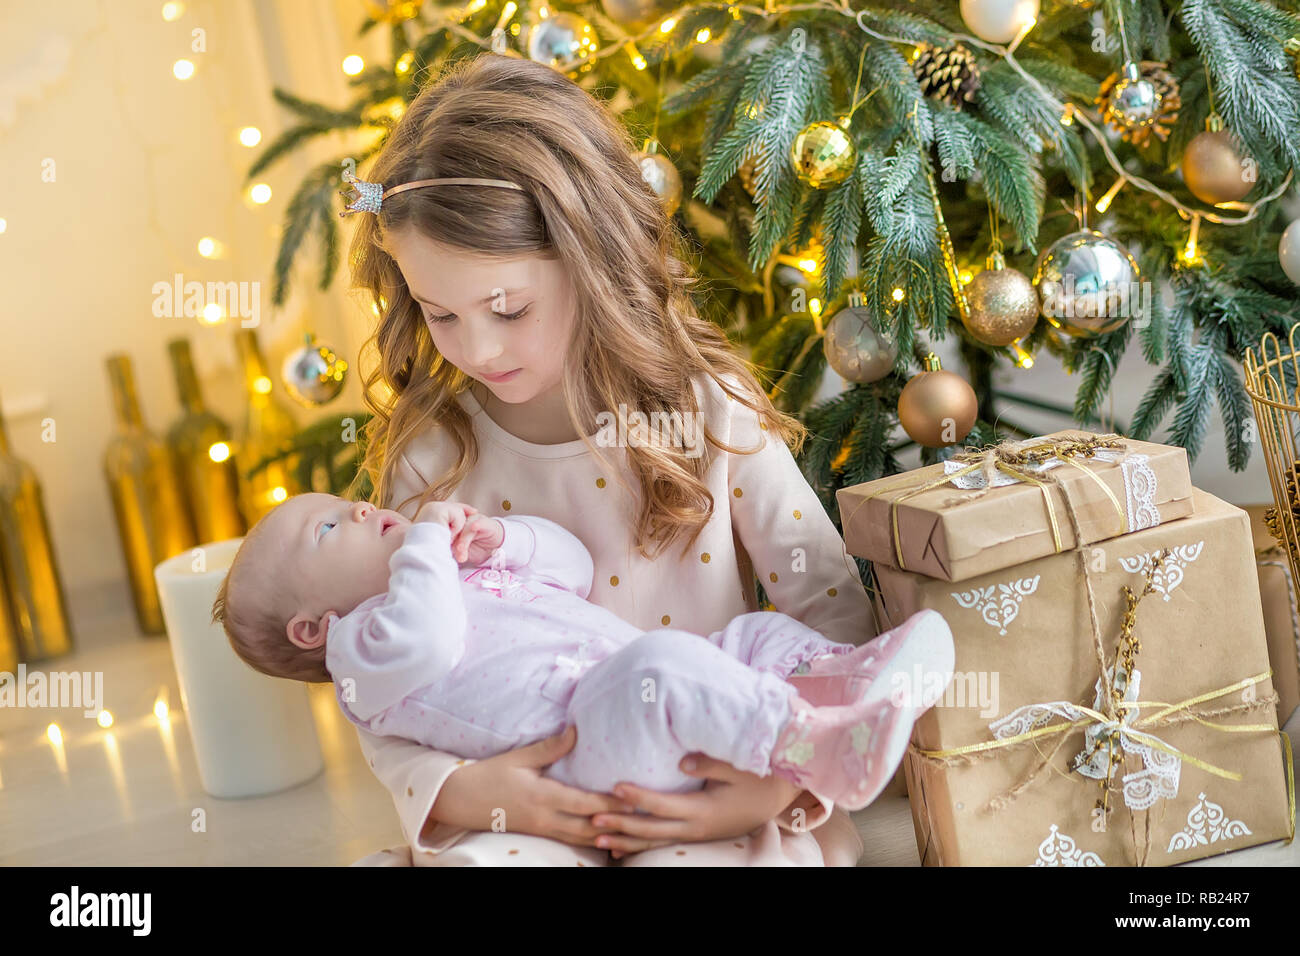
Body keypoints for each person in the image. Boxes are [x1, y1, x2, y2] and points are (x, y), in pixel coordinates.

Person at [342, 51, 885, 866]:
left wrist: (781, 782)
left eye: (508, 307)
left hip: (705, 791)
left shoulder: (704, 408)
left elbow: (830, 612)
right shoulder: (433, 457)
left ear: (593, 261)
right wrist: (461, 792)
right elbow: (381, 673)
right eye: (439, 314)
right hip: (537, 810)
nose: (478, 348)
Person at [211, 493, 955, 816]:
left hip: (634, 698)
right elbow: (429, 636)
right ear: (314, 628)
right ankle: (814, 748)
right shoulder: (363, 655)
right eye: (330, 530)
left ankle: (844, 678)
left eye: (345, 504)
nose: (363, 510)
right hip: (589, 747)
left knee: (747, 638)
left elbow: (574, 571)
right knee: (662, 664)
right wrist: (429, 542)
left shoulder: (445, 573)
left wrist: (508, 540)